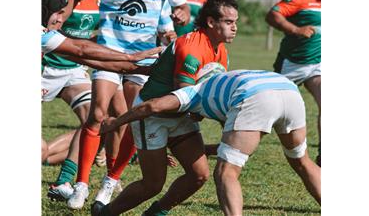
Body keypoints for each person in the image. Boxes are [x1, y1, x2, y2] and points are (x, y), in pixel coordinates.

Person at [62, 0, 191, 210]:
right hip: (109, 53)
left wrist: (182, 13)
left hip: (143, 59)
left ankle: (111, 180)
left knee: (135, 118)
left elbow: (182, 7)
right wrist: (58, 19)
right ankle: (81, 185)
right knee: (97, 112)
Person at [92, 0, 238, 216]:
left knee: (199, 175)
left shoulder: (221, 51)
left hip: (180, 115)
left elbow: (205, 97)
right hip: (152, 115)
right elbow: (184, 95)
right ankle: (106, 213)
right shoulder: (192, 49)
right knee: (153, 184)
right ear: (211, 22)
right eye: (228, 22)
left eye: (235, 22)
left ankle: (156, 212)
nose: (234, 27)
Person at [99, 69, 321, 216]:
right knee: (302, 161)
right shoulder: (227, 84)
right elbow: (242, 145)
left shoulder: (197, 90)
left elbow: (152, 106)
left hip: (256, 96)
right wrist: (202, 149)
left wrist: (114, 122)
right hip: (289, 90)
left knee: (226, 173)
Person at [42, 0, 107, 200]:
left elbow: (88, 36)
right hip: (46, 66)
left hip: (73, 72)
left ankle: (65, 180)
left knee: (94, 116)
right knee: (41, 152)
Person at [265, 0, 321, 166]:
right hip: (292, 63)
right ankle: (240, 143)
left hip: (318, 65)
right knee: (270, 107)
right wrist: (295, 29)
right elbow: (273, 15)